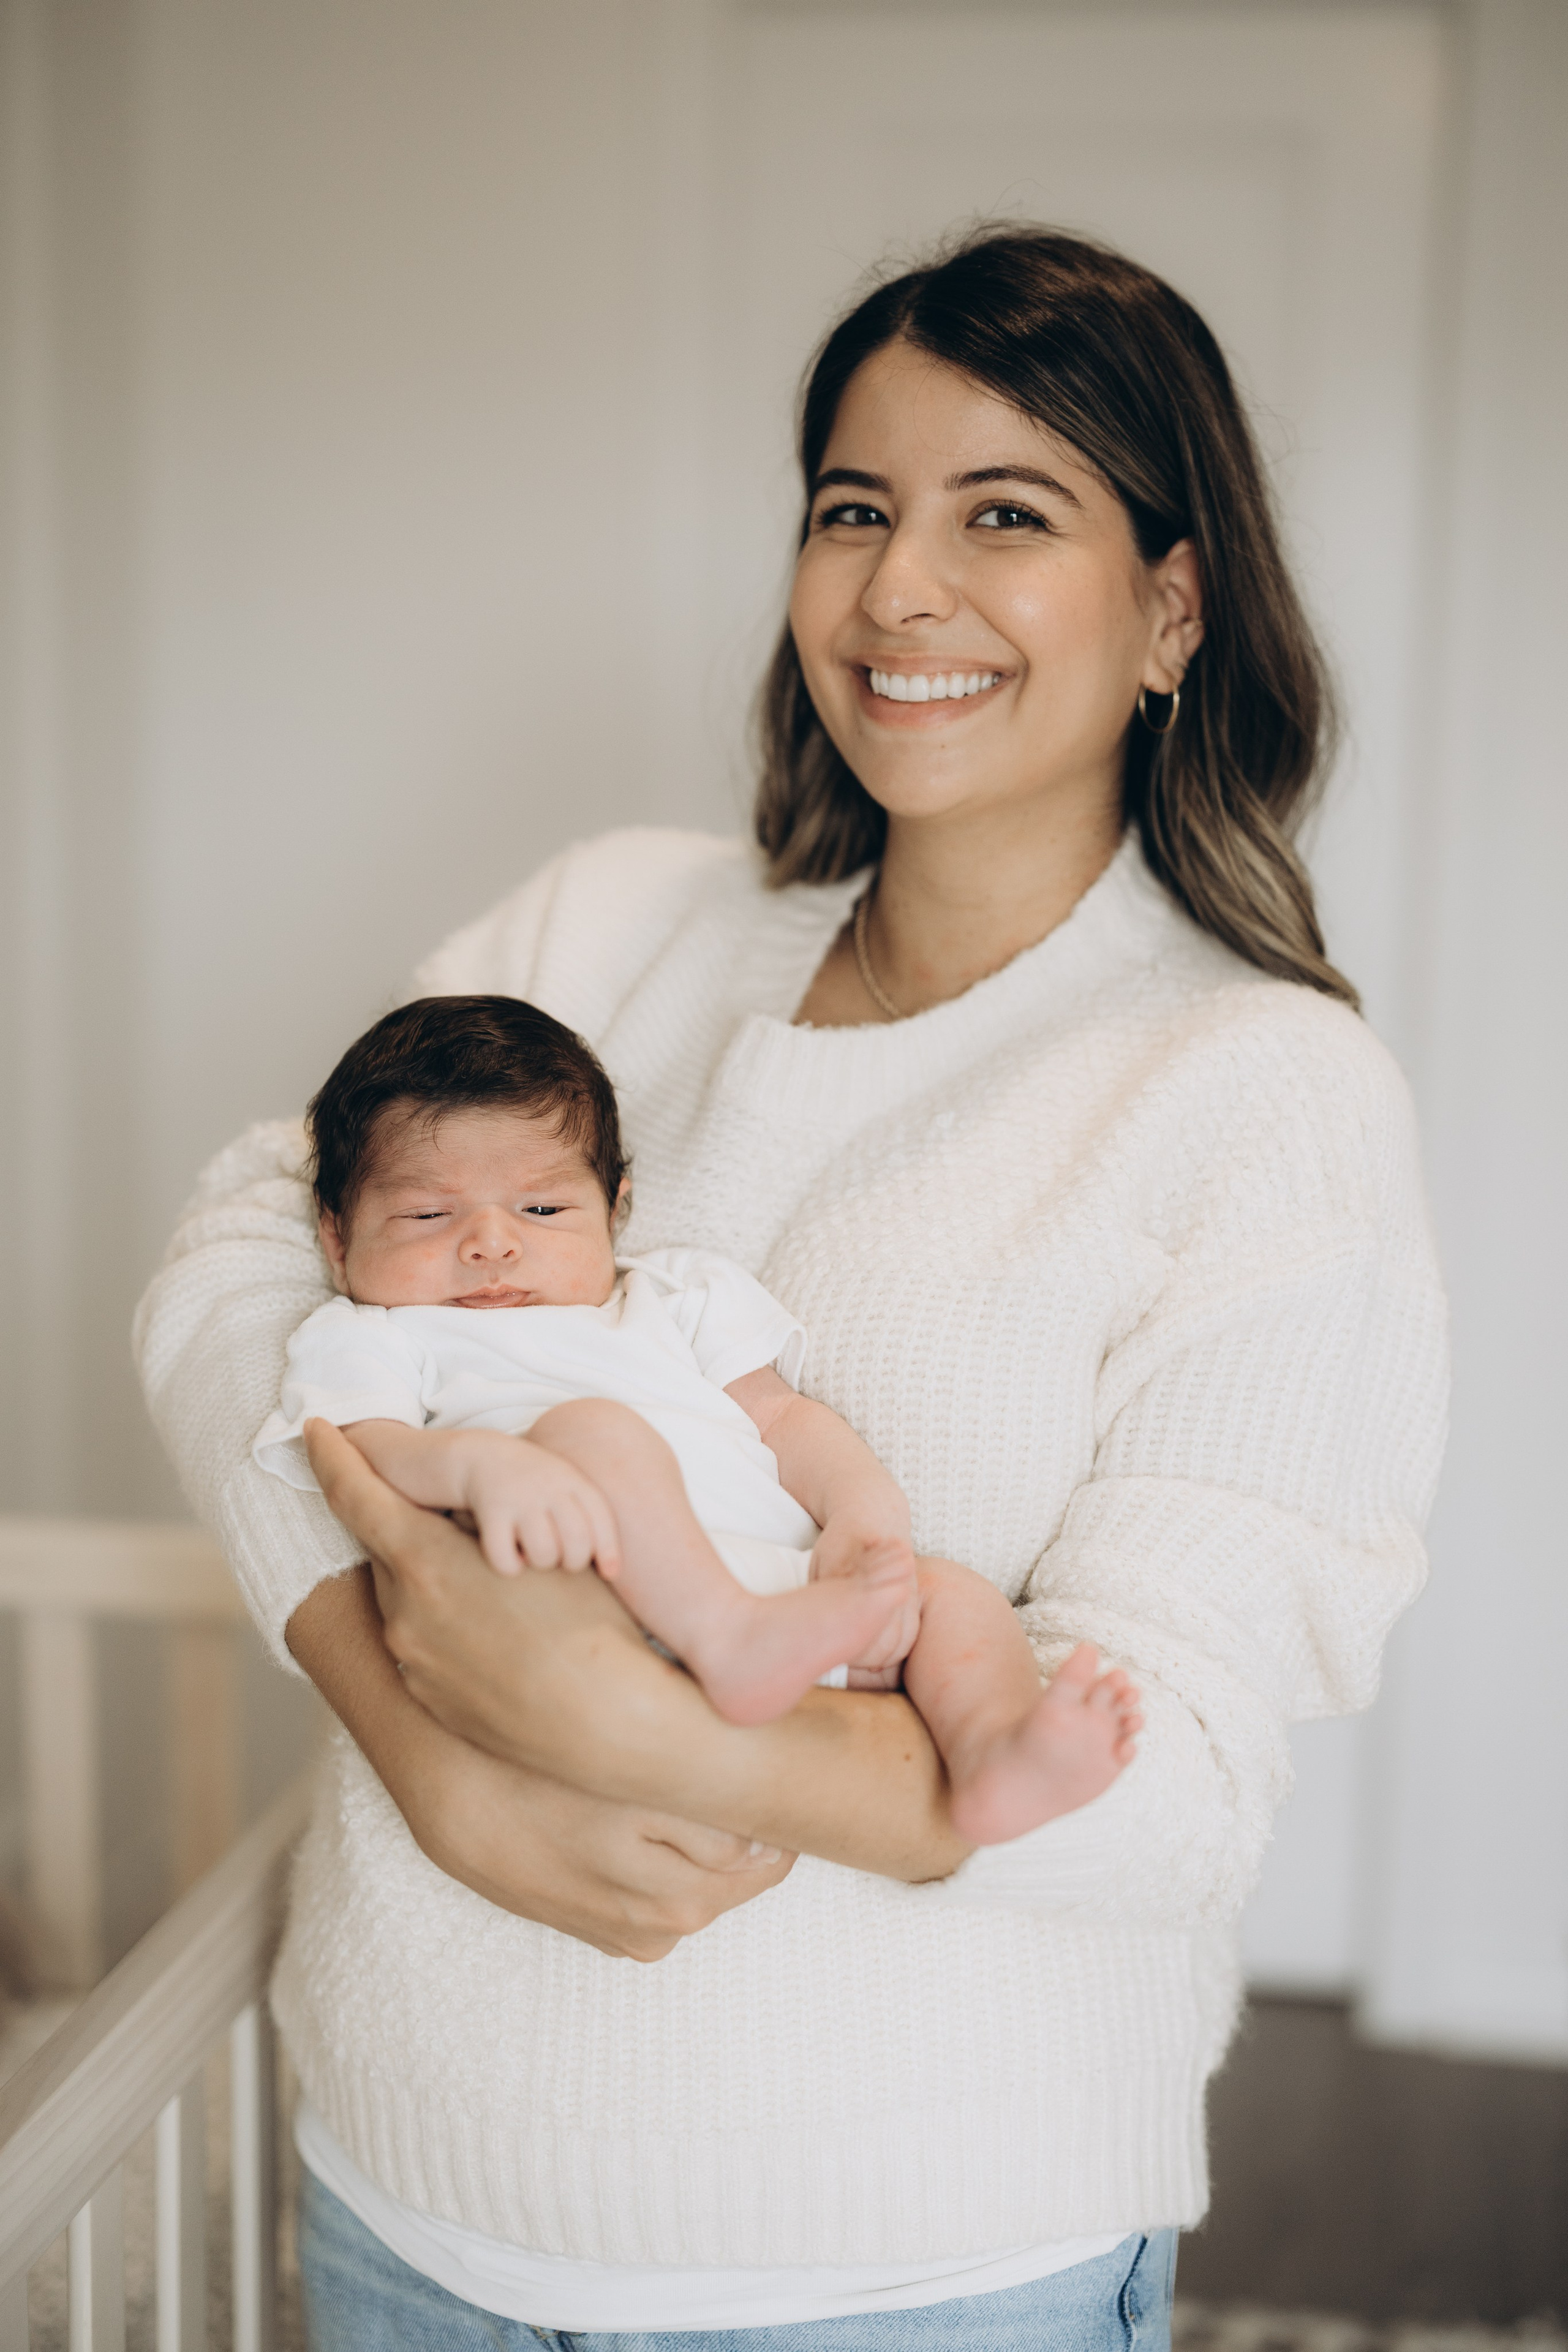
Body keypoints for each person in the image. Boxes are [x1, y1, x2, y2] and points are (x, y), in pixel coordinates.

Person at [134, 225, 1448, 2350]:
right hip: (407, 2189)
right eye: (856, 509)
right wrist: (423, 1733)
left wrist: (654, 1734)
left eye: (1004, 515)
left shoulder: (1263, 1092)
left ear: (1173, 606)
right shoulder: (611, 924)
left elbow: (1175, 1776)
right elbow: (233, 1259)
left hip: (905, 2260)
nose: (898, 590)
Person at [252, 992, 1143, 1831]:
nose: (492, 1240)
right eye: (427, 1214)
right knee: (594, 1431)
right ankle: (727, 1635)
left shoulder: (678, 1296)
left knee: (955, 1595)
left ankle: (991, 1754)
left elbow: (787, 1422)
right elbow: (367, 1453)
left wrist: (867, 1524)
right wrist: (483, 1466)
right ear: (336, 1238)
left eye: (543, 1206)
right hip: (586, 1621)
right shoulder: (373, 1334)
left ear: (617, 1209)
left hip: (798, 1611)